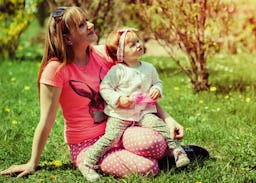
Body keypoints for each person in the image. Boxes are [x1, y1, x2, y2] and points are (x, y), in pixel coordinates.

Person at [0, 6, 187, 181]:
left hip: (118, 131)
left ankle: (170, 151)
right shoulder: (56, 70)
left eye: (86, 20)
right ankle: (164, 156)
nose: (91, 25)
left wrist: (168, 119)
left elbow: (136, 91)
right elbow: (46, 120)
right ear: (67, 38)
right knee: (149, 168)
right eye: (82, 25)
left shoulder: (102, 55)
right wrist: (33, 163)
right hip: (87, 145)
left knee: (155, 143)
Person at [79, 28, 190, 181]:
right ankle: (88, 162)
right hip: (120, 115)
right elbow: (105, 88)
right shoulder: (118, 70)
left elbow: (157, 82)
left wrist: (156, 89)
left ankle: (177, 151)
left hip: (143, 113)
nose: (138, 45)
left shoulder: (148, 68)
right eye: (132, 45)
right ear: (121, 54)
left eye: (138, 41)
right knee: (111, 137)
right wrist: (119, 99)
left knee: (160, 126)